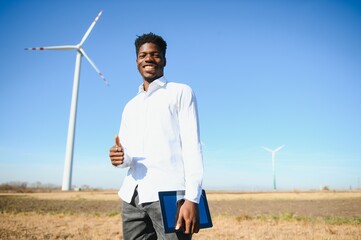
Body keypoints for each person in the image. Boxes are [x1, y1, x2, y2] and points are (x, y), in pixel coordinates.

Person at [109, 33, 204, 239]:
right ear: (137, 61)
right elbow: (128, 157)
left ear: (164, 59)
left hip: (170, 196)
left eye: (155, 54)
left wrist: (192, 199)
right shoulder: (130, 106)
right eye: (143, 55)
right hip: (132, 196)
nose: (149, 59)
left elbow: (192, 146)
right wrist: (120, 158)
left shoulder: (181, 92)